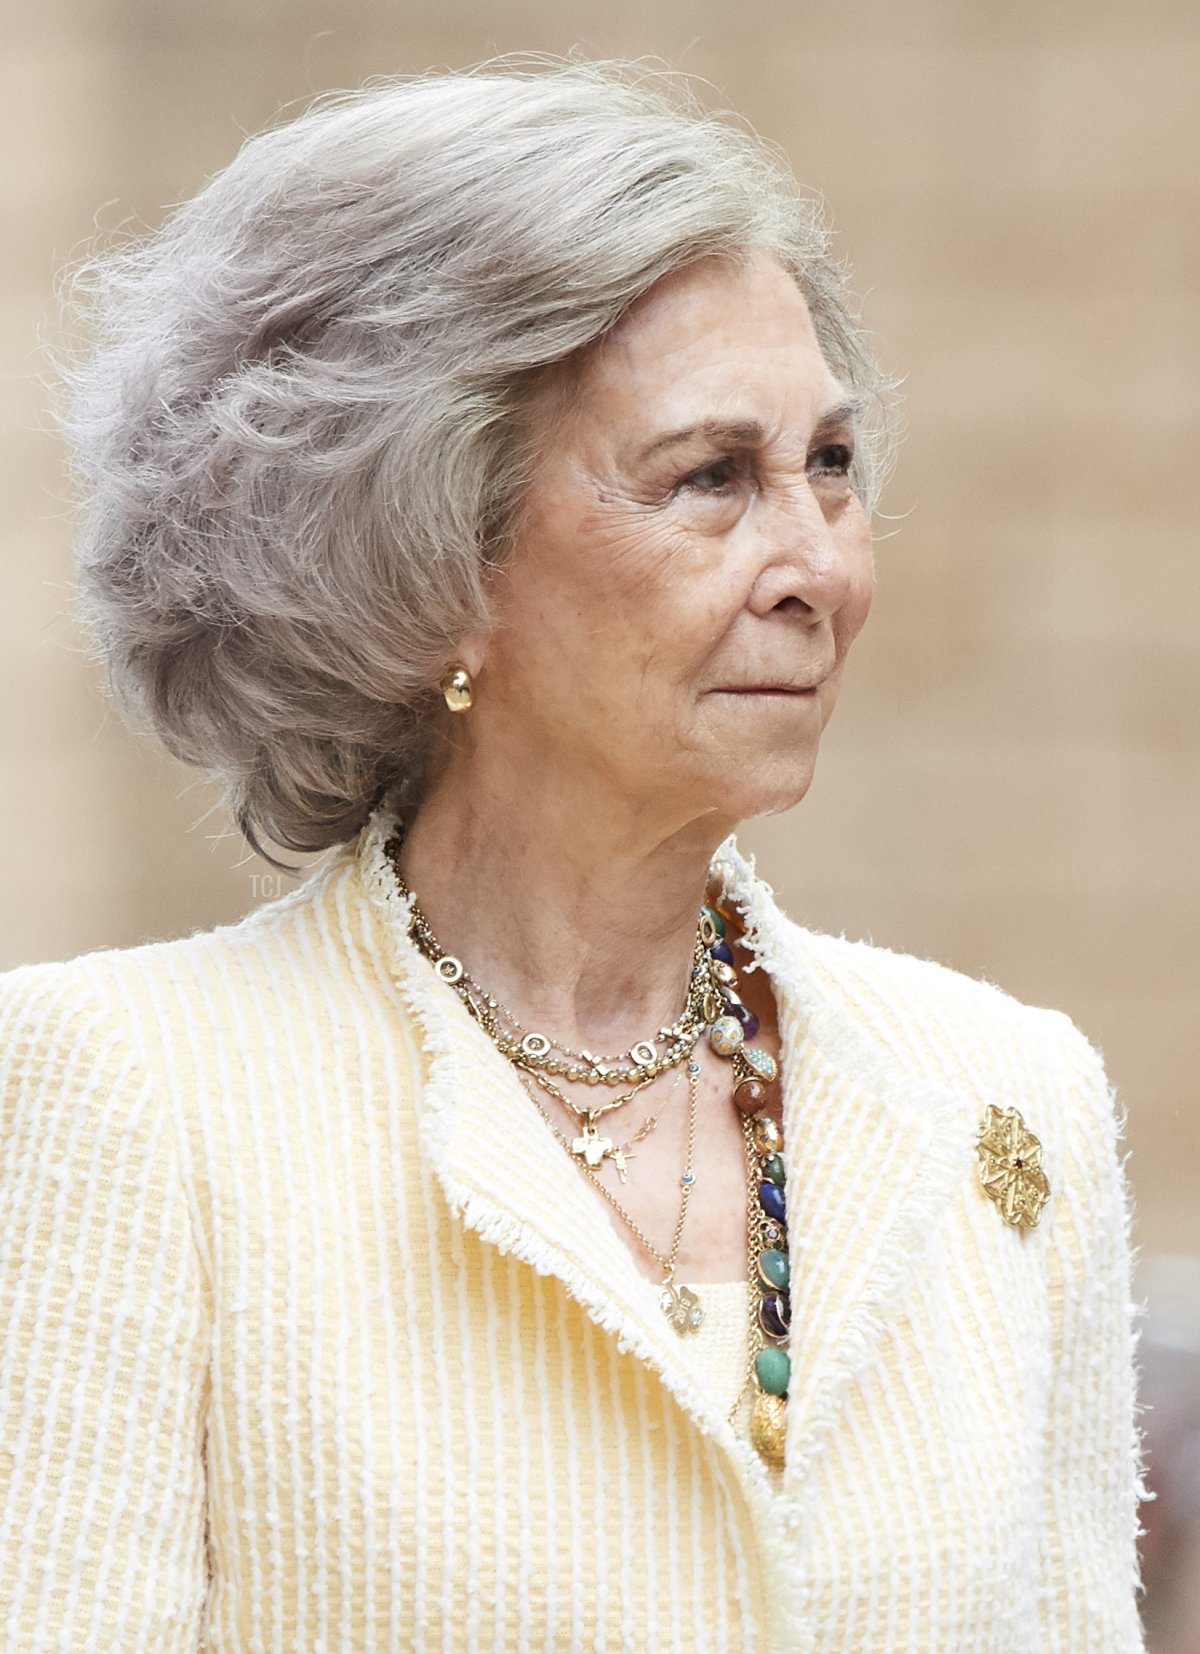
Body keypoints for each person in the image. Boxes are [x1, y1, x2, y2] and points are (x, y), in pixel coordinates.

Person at [0, 58, 1148, 1651]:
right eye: (711, 480)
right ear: (429, 559)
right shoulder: (137, 1098)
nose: (817, 563)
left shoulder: (1008, 1105)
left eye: (831, 463)